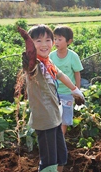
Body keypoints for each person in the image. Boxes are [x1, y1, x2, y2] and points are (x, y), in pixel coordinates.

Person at [21, 24, 85, 172]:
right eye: (38, 41)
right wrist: (29, 57)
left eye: (48, 40)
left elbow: (61, 75)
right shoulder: (35, 64)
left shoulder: (48, 62)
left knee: (61, 155)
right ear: (31, 44)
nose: (44, 44)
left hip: (56, 116)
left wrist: (75, 89)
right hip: (45, 120)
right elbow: (30, 67)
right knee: (49, 161)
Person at [49, 25, 84, 135]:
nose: (56, 42)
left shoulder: (73, 56)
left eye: (60, 39)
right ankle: (55, 138)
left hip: (68, 93)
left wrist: (77, 90)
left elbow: (77, 73)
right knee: (54, 116)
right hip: (54, 92)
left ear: (69, 41)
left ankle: (61, 138)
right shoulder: (51, 56)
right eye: (55, 39)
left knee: (65, 117)